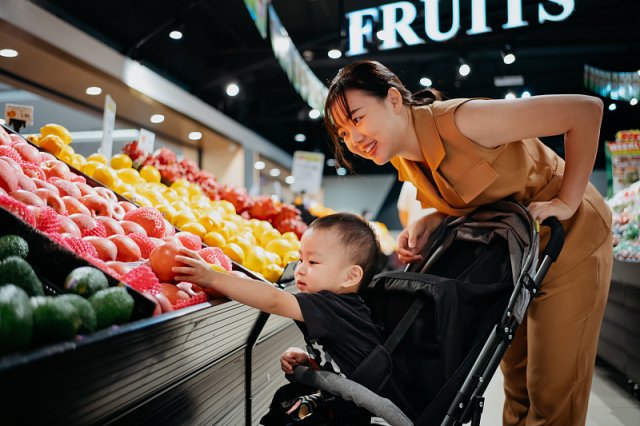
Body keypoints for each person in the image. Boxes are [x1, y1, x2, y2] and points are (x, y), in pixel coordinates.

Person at [322, 60, 612, 426]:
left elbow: (585, 111)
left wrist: (568, 200)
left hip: (572, 234)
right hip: (518, 250)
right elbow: (480, 190)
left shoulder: (463, 121)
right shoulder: (407, 161)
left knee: (555, 383)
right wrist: (437, 216)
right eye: (344, 133)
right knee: (517, 377)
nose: (354, 139)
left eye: (358, 119)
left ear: (393, 99)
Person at [173, 212, 383, 425]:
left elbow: (274, 299)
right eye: (300, 259)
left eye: (313, 262)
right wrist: (311, 361)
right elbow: (347, 361)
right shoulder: (340, 308)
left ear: (350, 277)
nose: (300, 269)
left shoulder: (333, 306)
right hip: (341, 404)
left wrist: (213, 278)